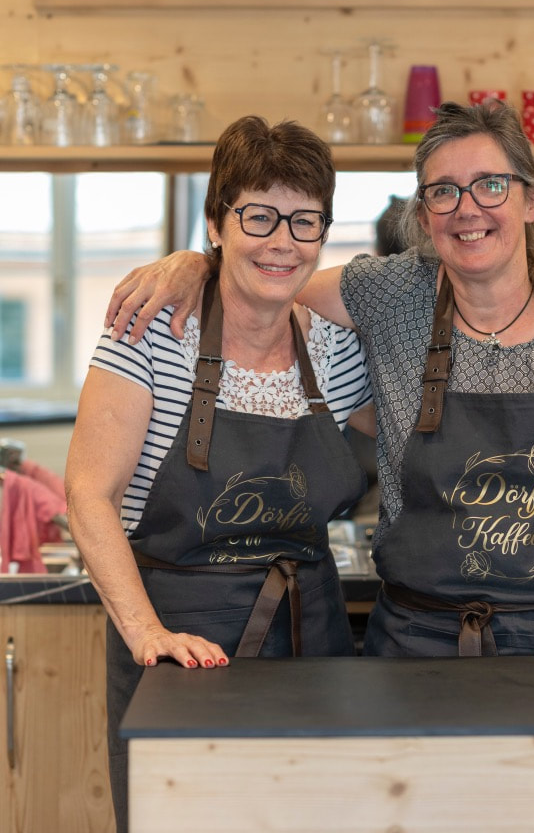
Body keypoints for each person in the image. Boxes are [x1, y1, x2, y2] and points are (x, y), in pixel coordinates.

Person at [105, 101, 534, 668]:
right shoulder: (391, 295)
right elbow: (275, 273)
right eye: (443, 191)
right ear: (425, 214)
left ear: (532, 199)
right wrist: (197, 263)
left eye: (491, 186)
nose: (467, 208)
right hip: (419, 649)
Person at [64, 115, 374, 832]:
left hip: (311, 644)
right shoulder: (150, 334)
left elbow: (432, 414)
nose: (282, 241)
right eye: (259, 215)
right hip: (181, 651)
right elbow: (89, 494)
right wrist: (146, 634)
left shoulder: (335, 350)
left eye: (305, 222)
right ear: (216, 222)